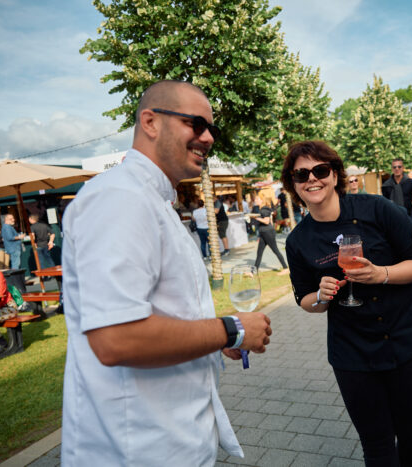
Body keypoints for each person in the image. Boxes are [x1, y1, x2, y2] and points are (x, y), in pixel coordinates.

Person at [60, 80, 272, 465]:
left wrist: (211, 339)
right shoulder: (120, 198)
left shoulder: (153, 202)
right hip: (135, 449)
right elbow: (116, 338)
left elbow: (167, 315)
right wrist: (232, 328)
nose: (208, 138)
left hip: (171, 441)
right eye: (196, 124)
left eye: (212, 129)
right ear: (150, 122)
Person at [282, 140, 412, 466]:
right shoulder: (298, 240)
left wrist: (380, 273)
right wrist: (321, 296)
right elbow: (304, 299)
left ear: (335, 174)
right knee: (377, 444)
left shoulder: (378, 209)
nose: (312, 179)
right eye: (301, 174)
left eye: (320, 170)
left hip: (407, 337)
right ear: (293, 184)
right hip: (352, 351)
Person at [253, 194, 288, 272]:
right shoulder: (262, 209)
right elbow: (271, 221)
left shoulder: (263, 209)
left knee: (275, 250)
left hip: (267, 233)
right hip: (264, 233)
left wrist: (256, 218)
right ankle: (254, 271)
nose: (255, 200)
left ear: (262, 200)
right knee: (259, 253)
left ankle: (286, 268)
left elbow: (266, 221)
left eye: (257, 199)